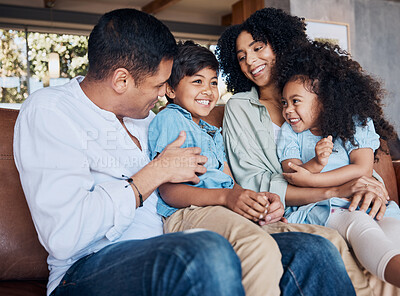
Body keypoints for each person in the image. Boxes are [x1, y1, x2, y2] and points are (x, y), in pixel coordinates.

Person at [13, 9, 246, 296]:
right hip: (85, 270)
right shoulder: (51, 111)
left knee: (304, 249)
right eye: (159, 85)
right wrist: (155, 172)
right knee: (204, 252)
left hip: (172, 246)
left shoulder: (150, 120)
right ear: (122, 80)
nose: (163, 94)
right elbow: (65, 236)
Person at [148, 41, 356, 296]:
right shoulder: (170, 119)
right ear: (170, 89)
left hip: (223, 208)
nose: (209, 90)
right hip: (189, 211)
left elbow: (230, 182)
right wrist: (227, 197)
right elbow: (170, 191)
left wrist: (259, 201)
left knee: (328, 239)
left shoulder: (211, 132)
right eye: (197, 81)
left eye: (214, 83)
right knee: (257, 245)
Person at [216, 7, 396, 295]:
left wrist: (374, 187)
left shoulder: (323, 100)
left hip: (350, 199)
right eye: (241, 57)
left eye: (258, 48)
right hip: (296, 211)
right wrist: (336, 191)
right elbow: (256, 182)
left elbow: (357, 159)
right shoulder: (240, 108)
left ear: (280, 43)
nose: (250, 61)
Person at [274, 41, 400, 286]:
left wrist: (310, 178)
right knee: (359, 222)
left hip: (363, 198)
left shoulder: (356, 123)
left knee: (393, 226)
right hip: (324, 206)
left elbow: (362, 169)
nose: (288, 110)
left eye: (296, 101)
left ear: (324, 100)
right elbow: (293, 172)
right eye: (284, 102)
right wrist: (316, 164)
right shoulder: (291, 133)